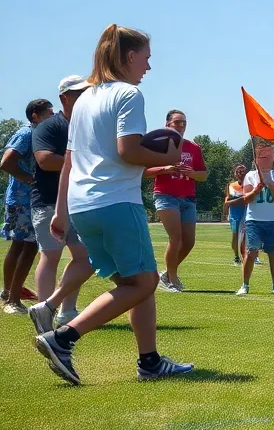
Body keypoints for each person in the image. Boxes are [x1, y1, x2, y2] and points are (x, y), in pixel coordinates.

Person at [32, 24, 194, 384]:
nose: (148, 67)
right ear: (130, 56)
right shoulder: (129, 95)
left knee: (140, 279)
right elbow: (128, 150)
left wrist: (61, 210)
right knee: (143, 283)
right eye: (147, 58)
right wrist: (166, 151)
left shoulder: (85, 97)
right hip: (116, 202)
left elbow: (71, 160)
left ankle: (149, 361)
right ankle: (63, 338)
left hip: (83, 205)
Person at [28, 77, 94, 330]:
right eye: (79, 94)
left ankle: (66, 312)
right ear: (64, 98)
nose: (85, 98)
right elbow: (44, 160)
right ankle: (43, 310)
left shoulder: (88, 126)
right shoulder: (49, 127)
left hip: (78, 202)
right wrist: (85, 163)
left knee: (85, 258)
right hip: (48, 202)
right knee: (51, 255)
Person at [144, 110, 206, 292]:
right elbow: (144, 172)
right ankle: (171, 279)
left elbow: (203, 175)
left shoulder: (193, 147)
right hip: (166, 196)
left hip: (188, 198)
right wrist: (166, 168)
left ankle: (167, 272)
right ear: (167, 125)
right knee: (176, 237)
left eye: (184, 123)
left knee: (189, 242)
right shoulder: (157, 146)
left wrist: (191, 174)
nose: (181, 126)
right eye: (177, 122)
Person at [2, 99, 53, 313]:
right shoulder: (26, 134)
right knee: (28, 246)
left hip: (26, 200)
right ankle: (13, 301)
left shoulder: (38, 134)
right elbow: (6, 162)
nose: (53, 116)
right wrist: (31, 179)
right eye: (49, 113)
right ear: (35, 115)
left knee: (21, 245)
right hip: (22, 200)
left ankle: (8, 292)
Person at [237, 141, 274, 296]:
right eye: (262, 157)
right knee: (251, 251)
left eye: (269, 156)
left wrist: (271, 185)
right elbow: (246, 199)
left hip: (272, 220)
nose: (266, 160)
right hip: (254, 221)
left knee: (272, 252)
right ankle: (245, 285)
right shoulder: (250, 176)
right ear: (256, 159)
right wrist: (257, 189)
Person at [223, 164, 249, 264]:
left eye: (242, 171)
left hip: (246, 214)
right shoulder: (231, 186)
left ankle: (246, 256)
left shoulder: (249, 185)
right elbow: (227, 199)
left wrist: (236, 201)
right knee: (235, 236)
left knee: (245, 237)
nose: (240, 174)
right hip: (234, 214)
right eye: (238, 171)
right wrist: (225, 210)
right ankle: (236, 256)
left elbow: (247, 200)